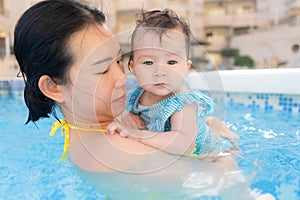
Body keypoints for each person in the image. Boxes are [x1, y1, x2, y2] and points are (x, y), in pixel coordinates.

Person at [14, 1, 274, 199]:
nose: (122, 76)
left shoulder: (96, 127)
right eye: (103, 69)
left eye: (118, 61)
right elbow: (221, 183)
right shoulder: (115, 150)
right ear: (53, 87)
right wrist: (229, 155)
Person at [107, 9, 238, 158]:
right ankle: (209, 122)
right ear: (133, 67)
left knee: (224, 166)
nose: (160, 72)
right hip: (169, 140)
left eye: (171, 62)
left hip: (203, 153)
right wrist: (128, 118)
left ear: (186, 68)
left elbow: (183, 144)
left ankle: (214, 126)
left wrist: (137, 135)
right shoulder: (136, 93)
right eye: (148, 62)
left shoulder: (183, 102)